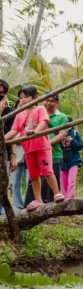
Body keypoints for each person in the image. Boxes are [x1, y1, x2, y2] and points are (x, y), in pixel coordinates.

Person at [5, 86, 65, 212]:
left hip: (42, 146)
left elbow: (44, 122)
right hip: (29, 149)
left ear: (35, 97)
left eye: (26, 97)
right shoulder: (19, 115)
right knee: (34, 176)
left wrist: (35, 132)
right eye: (21, 98)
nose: (23, 100)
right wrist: (3, 139)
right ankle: (38, 199)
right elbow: (14, 130)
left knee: (47, 171)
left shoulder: (40, 109)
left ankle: (56, 193)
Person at [42, 91, 68, 203]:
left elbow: (62, 134)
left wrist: (47, 145)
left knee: (54, 183)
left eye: (52, 101)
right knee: (41, 183)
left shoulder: (62, 117)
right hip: (40, 154)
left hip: (55, 154)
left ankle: (53, 211)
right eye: (47, 100)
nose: (49, 103)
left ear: (57, 102)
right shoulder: (39, 114)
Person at [0, 80, 18, 215]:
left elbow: (13, 133)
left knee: (2, 186)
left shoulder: (9, 111)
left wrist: (13, 156)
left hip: (3, 154)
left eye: (1, 94)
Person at [10, 99, 29, 211]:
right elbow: (12, 138)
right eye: (20, 106)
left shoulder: (31, 119)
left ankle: (28, 204)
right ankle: (18, 206)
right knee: (15, 182)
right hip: (15, 156)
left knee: (29, 182)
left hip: (28, 155)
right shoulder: (11, 120)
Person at [61, 116, 83, 199]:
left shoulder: (75, 133)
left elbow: (80, 146)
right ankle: (66, 199)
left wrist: (72, 141)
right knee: (64, 182)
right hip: (63, 160)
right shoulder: (58, 134)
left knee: (71, 181)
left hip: (74, 160)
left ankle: (69, 199)